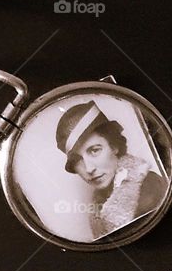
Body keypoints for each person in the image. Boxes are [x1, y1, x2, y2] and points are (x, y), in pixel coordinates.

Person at [55, 100, 166, 240]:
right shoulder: (100, 201)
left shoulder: (151, 188)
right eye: (78, 160)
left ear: (114, 146)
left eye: (95, 150)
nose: (89, 169)